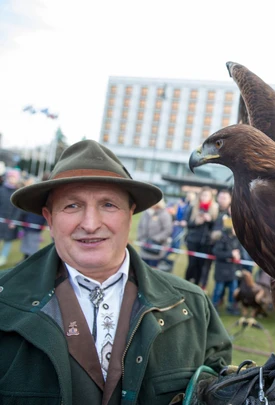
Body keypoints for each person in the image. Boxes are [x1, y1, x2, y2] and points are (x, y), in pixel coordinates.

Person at [0, 140, 232, 405]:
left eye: (108, 205)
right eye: (72, 206)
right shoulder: (4, 302)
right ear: (49, 218)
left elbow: (220, 386)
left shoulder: (191, 307)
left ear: (130, 214)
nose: (90, 224)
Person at [183, 187, 218, 288]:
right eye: (202, 195)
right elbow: (188, 224)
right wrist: (196, 222)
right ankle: (186, 283)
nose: (204, 197)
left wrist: (210, 220)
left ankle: (196, 286)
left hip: (206, 243)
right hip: (193, 241)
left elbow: (216, 226)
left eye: (206, 195)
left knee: (201, 266)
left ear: (211, 197)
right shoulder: (193, 207)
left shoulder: (215, 209)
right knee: (191, 264)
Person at [211, 215, 241, 314]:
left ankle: (231, 307)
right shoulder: (222, 238)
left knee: (233, 290)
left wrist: (238, 256)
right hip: (221, 269)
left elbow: (238, 251)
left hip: (232, 269)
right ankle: (213, 307)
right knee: (218, 290)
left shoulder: (237, 240)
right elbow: (216, 252)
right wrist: (230, 254)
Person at [137, 199, 173, 268]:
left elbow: (168, 230)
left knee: (152, 270)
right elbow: (140, 226)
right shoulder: (146, 213)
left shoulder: (164, 214)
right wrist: (141, 238)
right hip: (144, 247)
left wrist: (155, 239)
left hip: (156, 248)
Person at [0, 169, 23, 266]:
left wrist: (14, 221)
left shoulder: (17, 192)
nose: (11, 179)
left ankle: (3, 258)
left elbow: (18, 209)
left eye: (14, 177)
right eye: (10, 177)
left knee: (8, 241)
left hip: (10, 222)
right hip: (1, 220)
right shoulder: (1, 190)